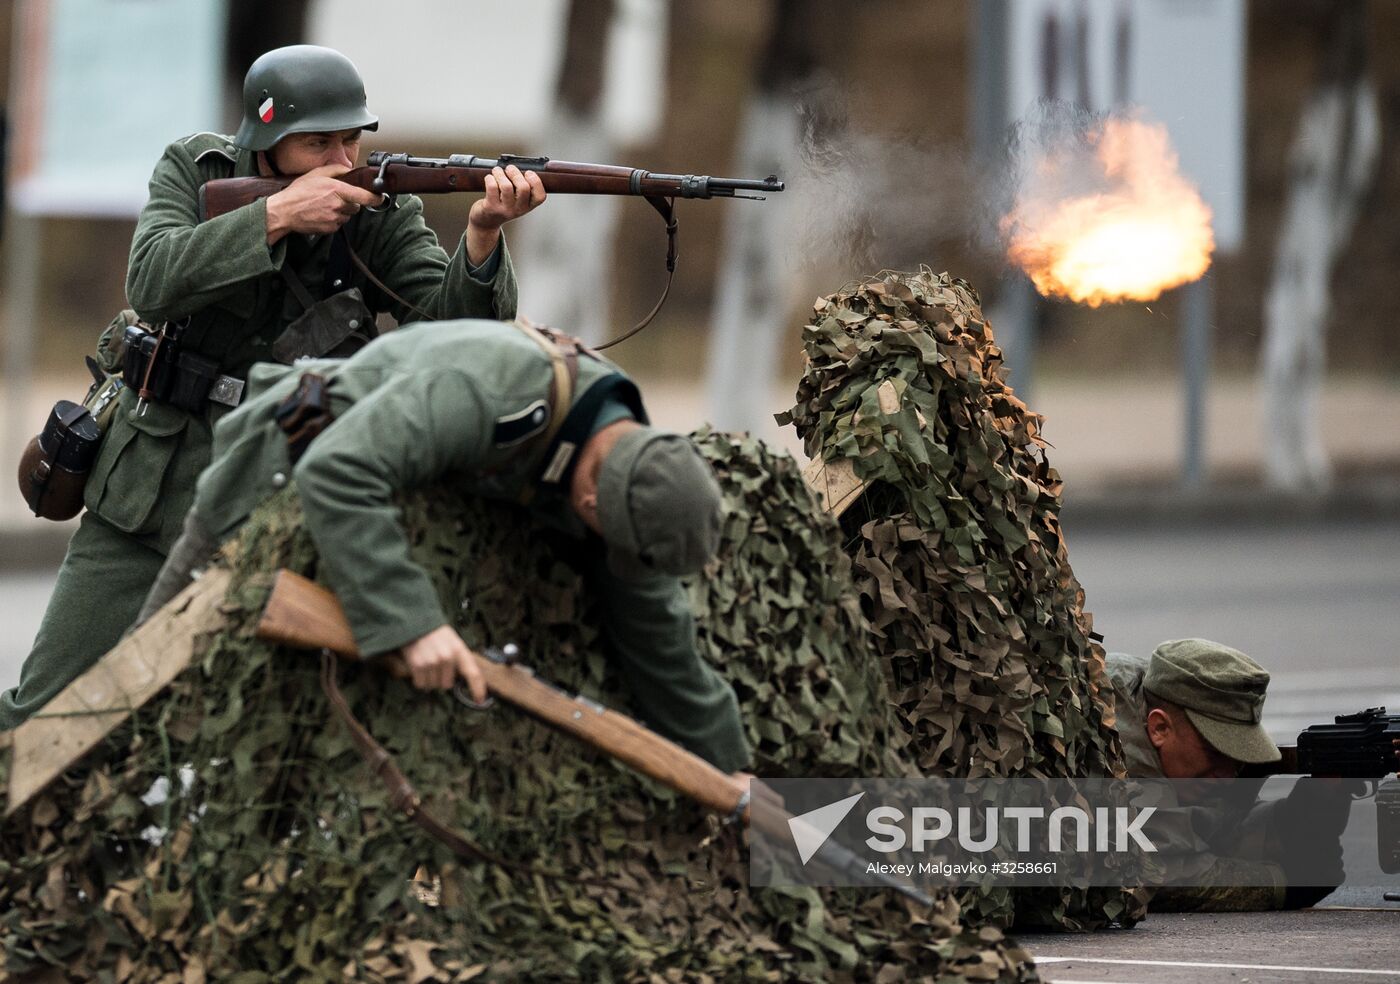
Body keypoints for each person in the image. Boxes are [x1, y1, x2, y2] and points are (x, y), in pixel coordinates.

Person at [0, 46, 544, 728]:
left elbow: (455, 340)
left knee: (260, 732)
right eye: (317, 143)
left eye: (351, 139)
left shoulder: (378, 208)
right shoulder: (196, 169)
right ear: (265, 141)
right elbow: (152, 281)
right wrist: (277, 217)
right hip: (148, 490)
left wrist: (484, 237)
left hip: (278, 499)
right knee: (51, 715)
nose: (342, 161)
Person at [134, 318, 751, 774]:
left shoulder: (626, 467)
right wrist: (414, 625)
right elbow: (337, 471)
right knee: (139, 696)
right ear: (592, 506)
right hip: (276, 476)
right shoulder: (492, 392)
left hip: (362, 534)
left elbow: (658, 639)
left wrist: (734, 774)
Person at [1108, 638, 1355, 910]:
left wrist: (1302, 816)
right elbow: (1164, 873)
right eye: (1215, 752)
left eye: (1237, 754)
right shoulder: (1119, 744)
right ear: (1159, 728)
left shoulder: (1163, 693)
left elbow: (1207, 832)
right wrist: (1283, 884)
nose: (1227, 775)